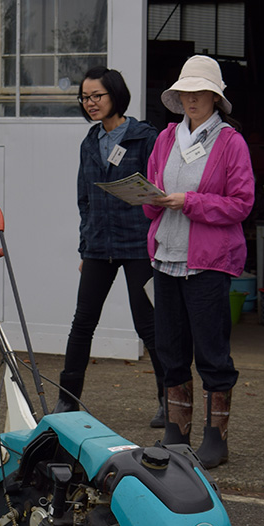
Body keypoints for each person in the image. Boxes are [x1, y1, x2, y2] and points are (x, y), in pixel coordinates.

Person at [143, 55, 255, 468]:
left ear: (214, 97)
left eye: (198, 92)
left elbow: (242, 204)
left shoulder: (230, 142)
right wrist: (148, 198)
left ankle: (215, 437)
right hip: (166, 257)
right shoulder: (166, 138)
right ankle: (176, 430)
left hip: (208, 262)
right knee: (170, 347)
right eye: (185, 92)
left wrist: (189, 202)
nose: (191, 99)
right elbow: (153, 190)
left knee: (211, 351)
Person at [54, 67, 164, 426]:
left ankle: (169, 400)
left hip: (138, 245)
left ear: (115, 95)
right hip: (99, 246)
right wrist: (87, 247)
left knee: (148, 325)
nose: (90, 104)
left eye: (97, 96)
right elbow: (83, 198)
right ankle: (67, 399)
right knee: (82, 322)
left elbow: (160, 188)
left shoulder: (145, 137)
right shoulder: (90, 141)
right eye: (85, 98)